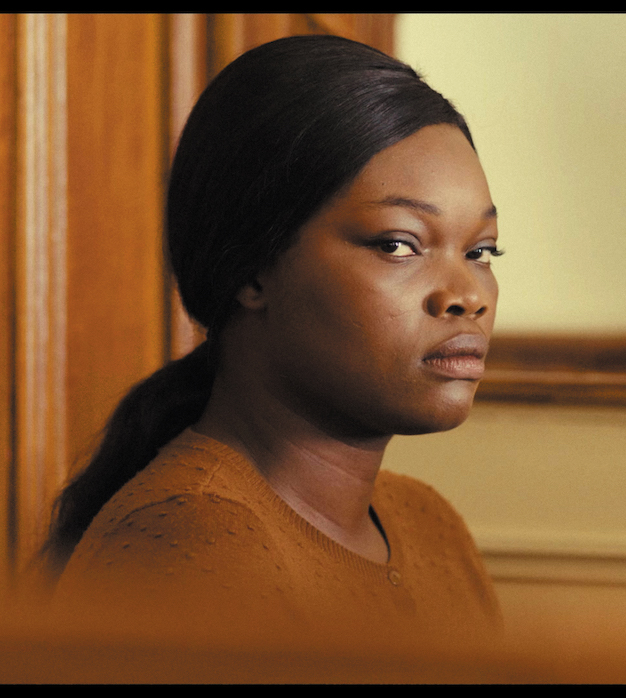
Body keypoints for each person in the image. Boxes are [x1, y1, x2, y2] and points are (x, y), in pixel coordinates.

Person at [44, 34, 504, 649]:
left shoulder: (430, 525)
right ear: (254, 269)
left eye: (481, 251)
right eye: (399, 244)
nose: (465, 295)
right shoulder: (188, 548)